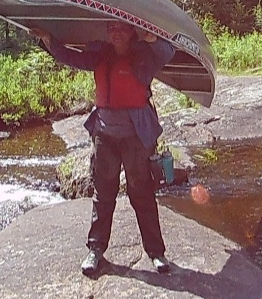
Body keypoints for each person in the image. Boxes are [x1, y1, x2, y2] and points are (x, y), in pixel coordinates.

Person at [29, 20, 176, 276]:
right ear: (107, 32)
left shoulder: (145, 56)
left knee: (141, 193)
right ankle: (95, 250)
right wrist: (48, 39)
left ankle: (156, 253)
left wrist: (152, 38)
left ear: (131, 31)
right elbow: (70, 57)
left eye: (122, 28)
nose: (117, 33)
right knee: (103, 194)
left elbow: (168, 52)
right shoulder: (100, 56)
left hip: (136, 137)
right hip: (105, 136)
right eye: (112, 28)